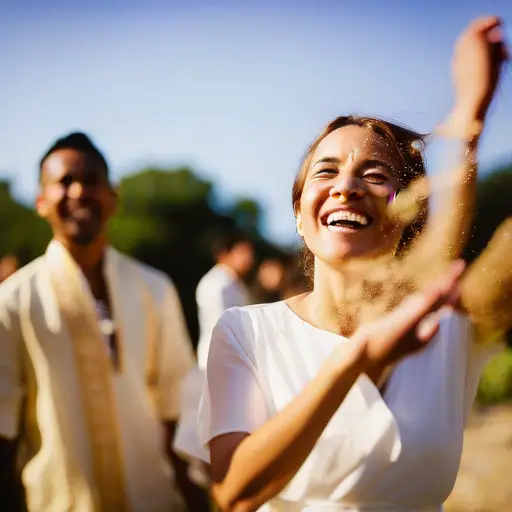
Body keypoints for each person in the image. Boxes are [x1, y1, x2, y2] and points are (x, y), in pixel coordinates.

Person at [197, 17, 510, 511]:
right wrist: (356, 359)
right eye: (327, 171)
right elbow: (234, 492)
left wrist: (471, 120)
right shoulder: (244, 332)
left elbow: (463, 240)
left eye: (375, 173)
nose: (347, 186)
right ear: (300, 216)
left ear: (409, 215)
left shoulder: (450, 326)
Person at [0, 132, 209, 511]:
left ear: (112, 198)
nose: (79, 192)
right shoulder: (11, 302)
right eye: (64, 182)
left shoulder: (155, 288)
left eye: (92, 181)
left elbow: (176, 409)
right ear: (41, 202)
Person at [173, 232, 254, 479]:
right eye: (242, 252)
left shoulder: (232, 283)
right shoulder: (217, 284)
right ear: (225, 253)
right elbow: (224, 325)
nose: (248, 258)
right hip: (218, 361)